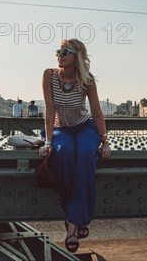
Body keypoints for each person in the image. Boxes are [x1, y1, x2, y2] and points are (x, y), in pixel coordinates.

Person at [38, 38, 112, 253]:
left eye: (65, 52)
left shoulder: (86, 80)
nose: (59, 55)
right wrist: (49, 142)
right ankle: (78, 217)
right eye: (58, 51)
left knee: (88, 153)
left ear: (77, 56)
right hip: (60, 129)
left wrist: (105, 141)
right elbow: (50, 110)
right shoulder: (49, 75)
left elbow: (97, 112)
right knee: (64, 153)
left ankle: (72, 224)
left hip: (84, 127)